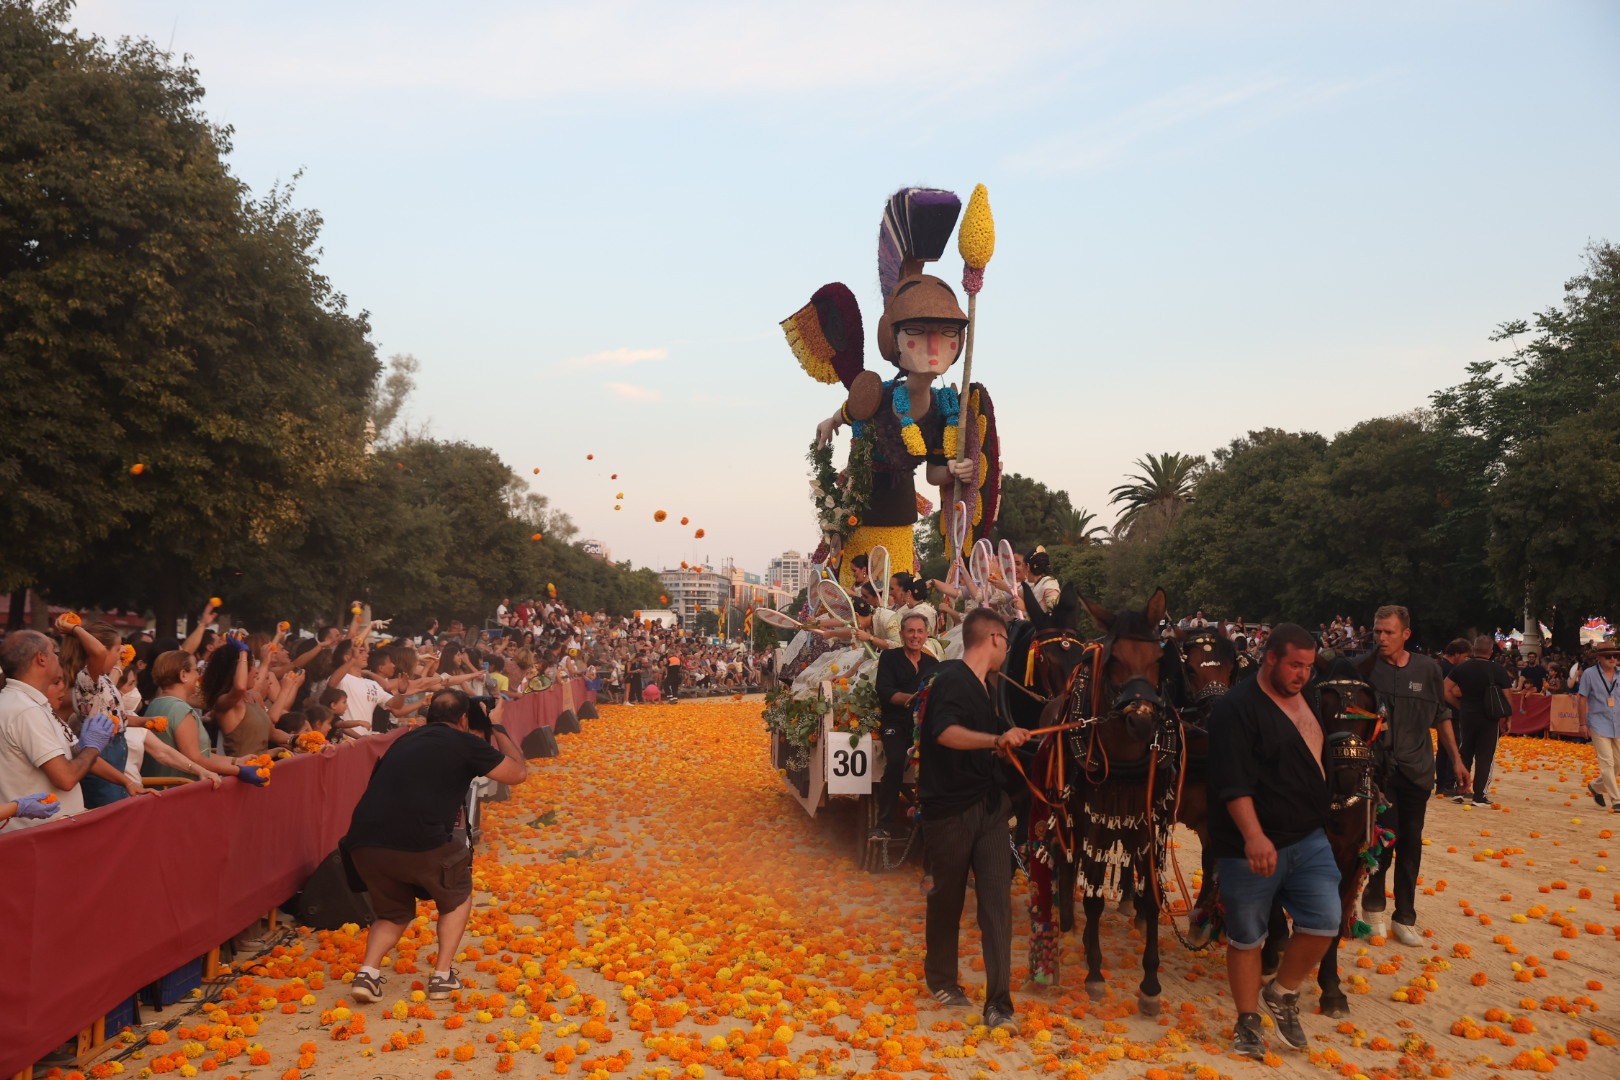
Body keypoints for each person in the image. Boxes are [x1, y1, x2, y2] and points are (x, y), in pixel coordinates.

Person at [343, 689, 528, 1004]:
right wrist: (497, 726)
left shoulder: (404, 740)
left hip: (363, 841)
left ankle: (368, 973)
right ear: (464, 718)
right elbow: (517, 773)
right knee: (456, 896)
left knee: (393, 912)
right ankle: (442, 976)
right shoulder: (464, 742)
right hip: (420, 839)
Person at [1208, 623, 1340, 1057]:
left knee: (1325, 922)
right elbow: (1232, 782)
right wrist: (1253, 835)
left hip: (1309, 837)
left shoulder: (1310, 696)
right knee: (1247, 938)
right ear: (1270, 658)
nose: (1303, 674)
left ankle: (1281, 993)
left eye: (1308, 665)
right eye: (1295, 665)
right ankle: (1247, 1021)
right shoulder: (1236, 708)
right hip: (1251, 843)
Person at [916, 607, 1029, 1033]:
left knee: (997, 905)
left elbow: (988, 745)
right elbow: (945, 732)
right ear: (996, 639)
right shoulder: (950, 680)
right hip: (949, 814)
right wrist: (994, 738)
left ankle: (999, 1002)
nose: (1007, 654)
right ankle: (942, 979)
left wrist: (1004, 745)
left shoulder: (987, 688)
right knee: (946, 900)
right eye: (1007, 646)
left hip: (990, 811)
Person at [1360, 605, 1468, 946]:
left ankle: (1405, 916)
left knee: (1411, 842)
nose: (1381, 638)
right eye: (1377, 632)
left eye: (1389, 632)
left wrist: (1458, 760)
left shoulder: (1428, 669)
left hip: (1418, 771)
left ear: (1406, 634)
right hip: (1379, 773)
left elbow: (1441, 715)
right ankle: (1373, 907)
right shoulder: (1364, 668)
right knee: (1383, 839)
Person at [0, 630, 118, 825]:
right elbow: (65, 778)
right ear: (41, 659)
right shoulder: (26, 710)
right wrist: (92, 747)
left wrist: (84, 749)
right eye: (54, 652)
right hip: (39, 836)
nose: (58, 658)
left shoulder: (24, 703)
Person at [872, 613, 938, 838]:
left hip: (923, 726)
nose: (915, 636)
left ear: (927, 635)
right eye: (911, 631)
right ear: (901, 634)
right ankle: (884, 824)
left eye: (920, 631)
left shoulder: (933, 663)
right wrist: (913, 698)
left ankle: (933, 819)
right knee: (897, 761)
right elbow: (884, 692)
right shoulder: (890, 658)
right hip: (896, 724)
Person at [1445, 635, 1515, 807]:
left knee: (1465, 751)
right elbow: (1507, 696)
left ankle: (1460, 790)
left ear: (1474, 649)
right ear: (1491, 651)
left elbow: (1444, 688)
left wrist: (1459, 706)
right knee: (1485, 756)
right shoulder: (1498, 670)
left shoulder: (1462, 668)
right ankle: (1479, 795)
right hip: (1489, 718)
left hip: (1467, 715)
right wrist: (1508, 718)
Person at [1576, 638, 1620, 812]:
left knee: (1618, 764)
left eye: (1615, 656)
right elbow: (1582, 698)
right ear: (1599, 658)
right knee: (1607, 762)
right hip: (1598, 722)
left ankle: (1595, 786)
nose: (1612, 659)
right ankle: (1616, 800)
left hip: (1617, 722)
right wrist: (1582, 723)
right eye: (1608, 656)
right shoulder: (1589, 674)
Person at [1433, 639, 1473, 798]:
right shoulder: (1450, 669)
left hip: (1440, 713)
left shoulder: (1439, 666)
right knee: (1454, 748)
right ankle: (1449, 785)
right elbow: (1452, 691)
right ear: (1456, 654)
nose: (1465, 660)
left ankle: (1442, 785)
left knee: (1444, 750)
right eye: (1465, 656)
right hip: (1450, 714)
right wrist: (1461, 706)